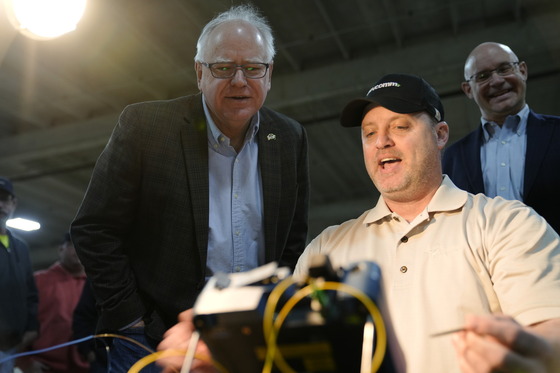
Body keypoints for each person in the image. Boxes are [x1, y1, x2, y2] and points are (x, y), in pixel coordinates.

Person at [157, 74, 560, 373]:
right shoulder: (326, 248)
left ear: (440, 135)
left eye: (400, 127)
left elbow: (551, 330)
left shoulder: (505, 224)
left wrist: (535, 355)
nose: (382, 141)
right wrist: (223, 356)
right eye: (370, 133)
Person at [70, 4, 309, 372]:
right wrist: (131, 319)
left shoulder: (290, 138)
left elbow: (292, 238)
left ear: (269, 73)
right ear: (200, 73)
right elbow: (94, 230)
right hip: (155, 341)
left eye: (253, 68)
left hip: (251, 339)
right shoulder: (146, 127)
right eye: (224, 68)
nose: (240, 81)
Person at [442, 41, 560, 233]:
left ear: (522, 71)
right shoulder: (453, 158)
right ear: (468, 90)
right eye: (483, 76)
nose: (496, 81)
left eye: (504, 69)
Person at [17, 233, 89, 373]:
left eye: (85, 246)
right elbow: (18, 324)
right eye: (73, 245)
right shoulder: (37, 281)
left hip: (86, 368)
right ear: (60, 249)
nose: (79, 250)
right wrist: (24, 362)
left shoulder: (96, 286)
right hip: (44, 366)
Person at [0, 177, 39, 373]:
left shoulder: (20, 247)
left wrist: (32, 328)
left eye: (5, 199)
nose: (0, 204)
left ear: (13, 203)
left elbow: (30, 293)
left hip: (12, 348)